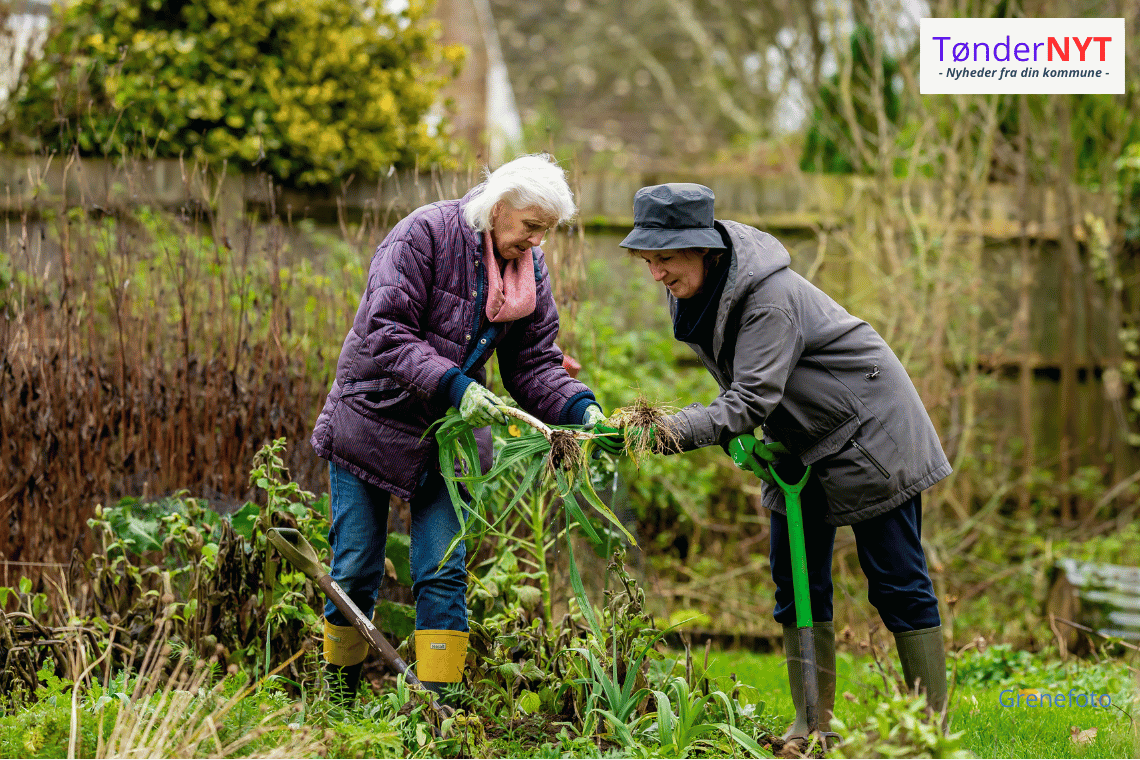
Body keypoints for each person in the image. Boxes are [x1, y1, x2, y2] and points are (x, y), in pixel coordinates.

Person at [596, 183, 951, 737]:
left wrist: (671, 429)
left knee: (895, 579)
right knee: (796, 580)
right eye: (648, 260)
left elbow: (751, 397)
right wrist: (735, 435)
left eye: (664, 259)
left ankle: (930, 730)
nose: (655, 274)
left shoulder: (768, 298)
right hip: (801, 442)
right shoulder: (696, 291)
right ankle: (811, 726)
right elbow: (746, 389)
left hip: (872, 432)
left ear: (703, 249)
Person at [310, 153, 607, 704]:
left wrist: (581, 409)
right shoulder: (423, 234)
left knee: (442, 570)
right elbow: (386, 328)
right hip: (373, 415)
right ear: (498, 208)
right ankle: (338, 700)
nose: (537, 243)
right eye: (531, 227)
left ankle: (435, 712)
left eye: (545, 231)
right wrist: (457, 385)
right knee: (354, 566)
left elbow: (533, 364)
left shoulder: (527, 270)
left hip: (448, 436)